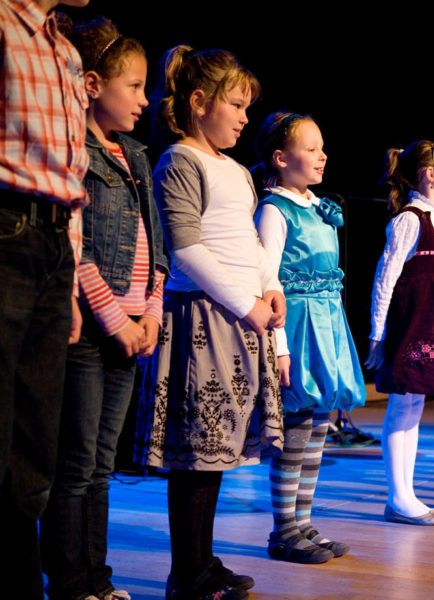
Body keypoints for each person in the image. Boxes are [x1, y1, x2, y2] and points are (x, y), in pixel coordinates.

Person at [134, 45, 284, 600]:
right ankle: (186, 573)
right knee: (195, 457)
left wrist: (270, 284)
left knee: (215, 454)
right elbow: (187, 249)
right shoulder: (180, 161)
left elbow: (247, 243)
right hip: (202, 318)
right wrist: (247, 305)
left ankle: (203, 560)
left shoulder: (238, 171)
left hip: (239, 318)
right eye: (236, 106)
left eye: (247, 108)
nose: (244, 118)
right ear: (200, 102)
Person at [41, 17, 166, 600]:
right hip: (94, 332)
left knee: (101, 466)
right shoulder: (80, 154)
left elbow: (157, 248)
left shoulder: (137, 156)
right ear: (92, 85)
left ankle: (98, 579)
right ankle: (70, 583)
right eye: (133, 86)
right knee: (75, 463)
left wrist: (151, 316)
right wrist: (117, 321)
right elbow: (80, 250)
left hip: (133, 330)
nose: (144, 100)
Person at [0, 0, 89, 596]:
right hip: (6, 230)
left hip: (54, 242)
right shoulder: (6, 26)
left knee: (36, 437)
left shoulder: (64, 49)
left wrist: (72, 280)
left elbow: (69, 176)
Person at [255, 112, 365, 559]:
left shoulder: (317, 206)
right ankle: (284, 531)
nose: (322, 156)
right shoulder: (274, 210)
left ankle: (303, 522)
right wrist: (279, 347)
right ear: (281, 158)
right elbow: (266, 282)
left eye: (322, 148)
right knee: (296, 429)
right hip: (296, 328)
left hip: (326, 324)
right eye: (311, 148)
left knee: (319, 425)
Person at [365, 140, 434, 525]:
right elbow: (385, 278)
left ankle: (407, 495)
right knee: (402, 404)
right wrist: (378, 334)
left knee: (416, 405)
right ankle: (398, 498)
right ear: (428, 174)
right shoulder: (409, 220)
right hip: (413, 323)